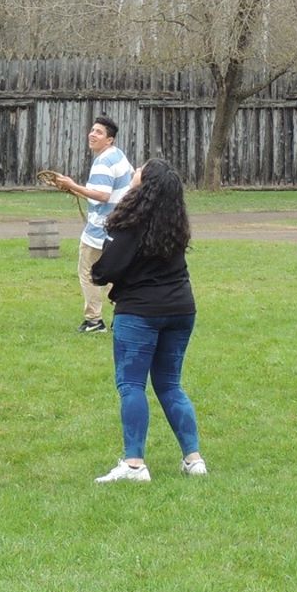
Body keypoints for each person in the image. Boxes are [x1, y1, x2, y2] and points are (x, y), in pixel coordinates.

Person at [91, 155, 205, 482]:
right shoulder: (175, 223)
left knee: (131, 385)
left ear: (146, 184)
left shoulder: (129, 223)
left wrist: (99, 271)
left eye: (140, 169)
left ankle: (134, 463)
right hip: (181, 309)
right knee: (170, 384)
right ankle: (194, 459)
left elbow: (106, 269)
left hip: (140, 311)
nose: (134, 171)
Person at [48, 115, 135, 330]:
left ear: (109, 139)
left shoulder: (103, 162)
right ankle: (124, 315)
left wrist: (73, 185)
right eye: (92, 130)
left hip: (100, 231)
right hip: (122, 228)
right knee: (119, 274)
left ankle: (94, 321)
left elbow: (103, 195)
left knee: (88, 273)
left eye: (99, 132)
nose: (92, 134)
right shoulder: (118, 155)